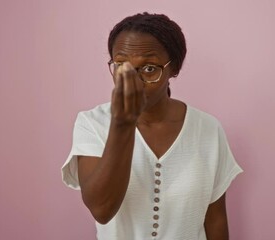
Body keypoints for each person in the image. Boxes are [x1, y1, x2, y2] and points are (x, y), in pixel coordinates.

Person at [61, 12, 243, 240]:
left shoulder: (208, 129)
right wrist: (123, 122)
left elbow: (215, 219)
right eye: (121, 65)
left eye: (149, 69)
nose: (134, 81)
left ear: (173, 68)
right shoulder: (92, 124)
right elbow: (102, 209)